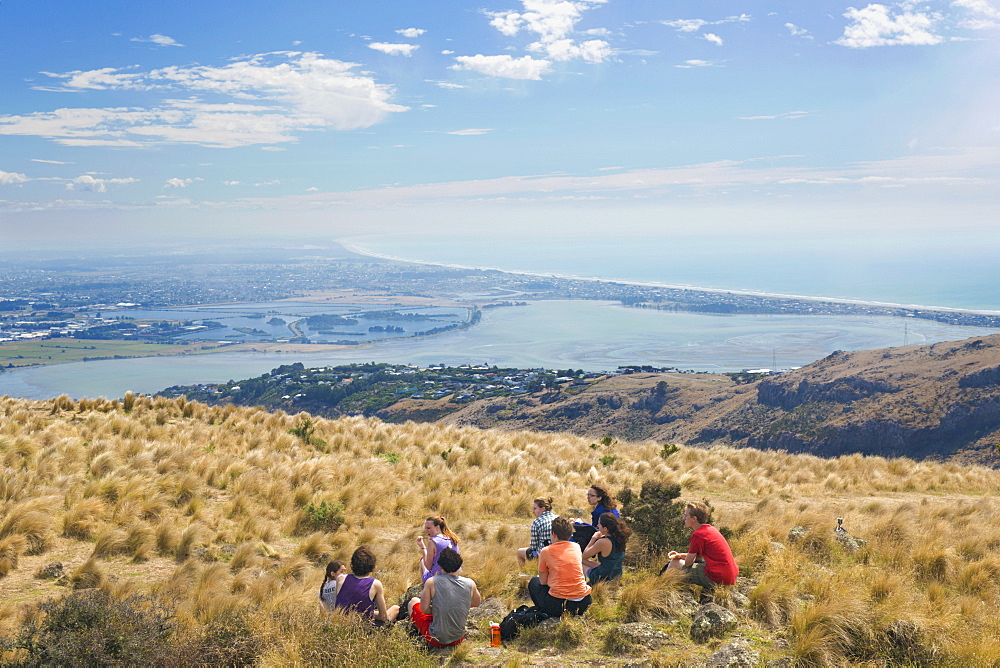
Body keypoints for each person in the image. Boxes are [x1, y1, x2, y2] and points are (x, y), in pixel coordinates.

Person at [663, 501, 738, 600]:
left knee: (674, 563)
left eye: (686, 516)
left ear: (694, 519)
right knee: (681, 562)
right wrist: (680, 555)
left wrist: (678, 559)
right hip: (729, 576)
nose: (683, 518)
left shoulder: (698, 535)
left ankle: (664, 592)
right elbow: (698, 558)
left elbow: (689, 563)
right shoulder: (711, 530)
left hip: (718, 577)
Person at [408, 548, 482, 647]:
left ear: (440, 565)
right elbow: (476, 603)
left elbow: (424, 609)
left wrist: (439, 610)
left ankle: (418, 632)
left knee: (413, 601)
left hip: (436, 639)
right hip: (458, 638)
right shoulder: (470, 583)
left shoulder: (432, 581)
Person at [528, 516, 593, 618]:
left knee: (534, 582)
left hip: (559, 605)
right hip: (583, 602)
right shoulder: (576, 547)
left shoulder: (546, 551)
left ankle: (544, 612)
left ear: (554, 534)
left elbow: (543, 582)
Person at [333, 546, 400, 624]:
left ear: (353, 563)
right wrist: (369, 613)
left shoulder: (340, 579)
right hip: (364, 627)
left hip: (341, 624)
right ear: (371, 565)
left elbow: (339, 606)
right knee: (396, 608)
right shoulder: (375, 584)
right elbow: (383, 616)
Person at [582, 512, 631, 584]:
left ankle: (582, 587)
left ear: (605, 528)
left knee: (577, 564)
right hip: (616, 574)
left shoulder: (603, 542)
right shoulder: (620, 538)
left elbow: (585, 555)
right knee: (580, 560)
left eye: (599, 524)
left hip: (603, 577)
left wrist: (593, 538)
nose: (597, 525)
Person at [417, 515, 460, 582]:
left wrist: (423, 547)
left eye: (428, 528)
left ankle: (424, 585)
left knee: (422, 560)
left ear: (437, 527)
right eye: (425, 528)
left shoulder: (433, 541)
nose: (426, 531)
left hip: (437, 576)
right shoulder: (453, 538)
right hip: (454, 574)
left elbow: (428, 566)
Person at [516, 496, 556, 568]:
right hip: (558, 554)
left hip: (543, 555)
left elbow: (533, 546)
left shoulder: (537, 521)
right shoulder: (557, 518)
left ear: (543, 508)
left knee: (519, 552)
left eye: (535, 508)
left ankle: (523, 572)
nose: (533, 511)